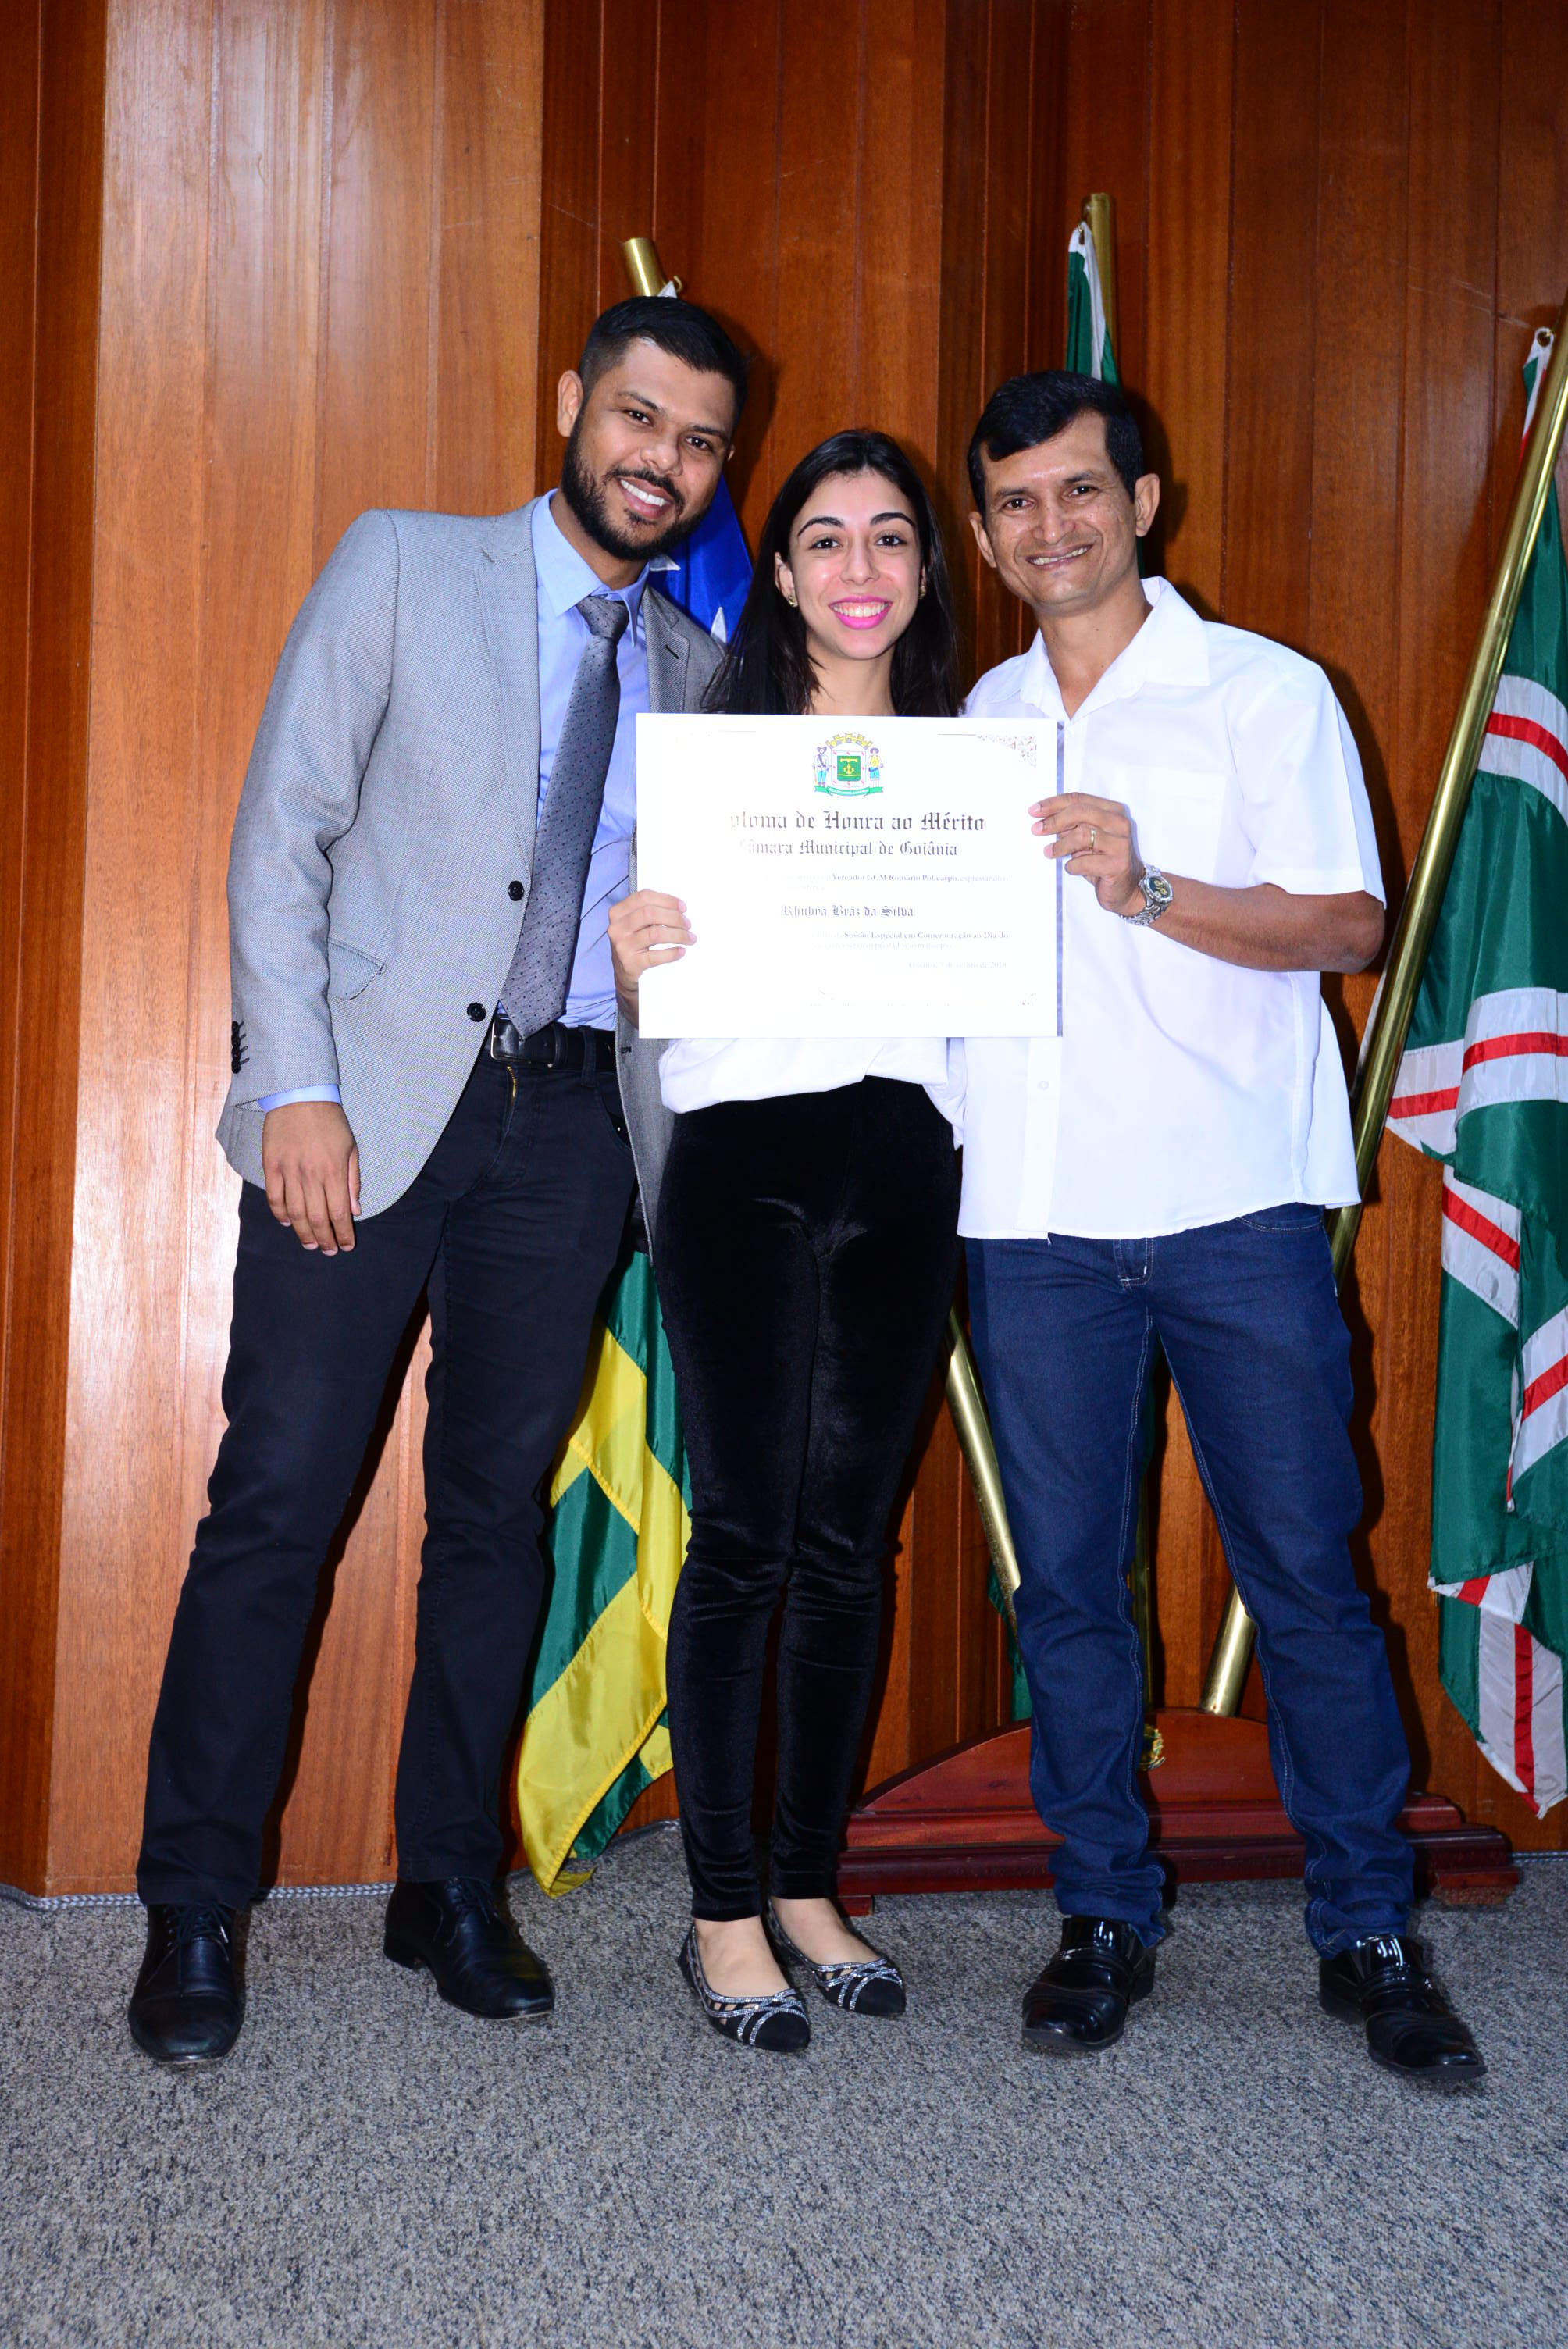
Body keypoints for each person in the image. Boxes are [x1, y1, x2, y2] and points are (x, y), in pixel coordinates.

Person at [128, 298, 747, 2066]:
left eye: (699, 441)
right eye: (638, 417)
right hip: (370, 1108)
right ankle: (193, 1902)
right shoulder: (403, 563)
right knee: (277, 1501)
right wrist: (295, 1085)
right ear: (571, 403)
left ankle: (447, 1883)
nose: (662, 461)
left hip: (570, 1132)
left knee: (493, 1518)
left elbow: (690, 936)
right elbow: (284, 828)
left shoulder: (702, 678)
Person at [958, 370, 1484, 2085]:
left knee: (1306, 1580)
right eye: (1017, 501)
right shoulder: (969, 722)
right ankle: (1100, 1912)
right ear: (985, 534)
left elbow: (1348, 923)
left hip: (1233, 1205)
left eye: (1079, 490)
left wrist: (1149, 887)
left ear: (1143, 502)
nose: (1051, 525)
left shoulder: (1263, 690)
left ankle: (1368, 1926)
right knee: (1064, 1593)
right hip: (1030, 1214)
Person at [610, 431, 964, 2054]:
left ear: (924, 567)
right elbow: (644, 986)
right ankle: (720, 1912)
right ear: (780, 570)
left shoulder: (974, 760)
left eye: (889, 537)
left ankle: (810, 1887)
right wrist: (635, 951)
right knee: (747, 1535)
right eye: (825, 538)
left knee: (848, 1545)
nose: (858, 569)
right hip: (743, 1155)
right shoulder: (713, 758)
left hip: (905, 1154)